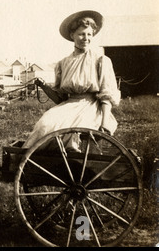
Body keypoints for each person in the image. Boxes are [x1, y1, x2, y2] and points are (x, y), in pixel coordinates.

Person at [23, 10, 121, 150]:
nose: (85, 38)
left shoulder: (101, 60)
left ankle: (69, 160)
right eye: (81, 34)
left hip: (90, 108)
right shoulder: (63, 63)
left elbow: (107, 95)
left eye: (89, 34)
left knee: (72, 133)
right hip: (68, 106)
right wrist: (44, 86)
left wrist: (105, 122)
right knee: (44, 125)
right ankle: (32, 161)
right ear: (72, 36)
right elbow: (60, 99)